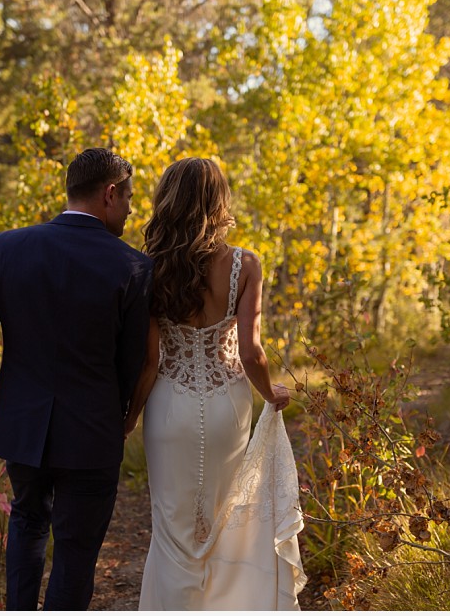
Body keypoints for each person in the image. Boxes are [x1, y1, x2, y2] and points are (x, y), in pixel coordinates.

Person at [0, 148, 153, 610]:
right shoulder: (134, 267)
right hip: (93, 431)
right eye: (130, 196)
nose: (133, 208)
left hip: (23, 427)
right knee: (76, 551)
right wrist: (118, 416)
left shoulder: (7, 247)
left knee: (27, 521)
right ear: (110, 194)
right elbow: (132, 362)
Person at [125, 157, 306, 610]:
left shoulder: (148, 267)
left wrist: (128, 418)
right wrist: (272, 393)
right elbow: (251, 353)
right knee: (222, 525)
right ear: (218, 201)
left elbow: (150, 361)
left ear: (168, 201)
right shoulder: (246, 265)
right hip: (228, 406)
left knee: (172, 532)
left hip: (169, 404)